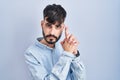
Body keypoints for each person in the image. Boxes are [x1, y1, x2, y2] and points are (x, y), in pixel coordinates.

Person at [25, 4, 85, 80]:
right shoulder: (31, 53)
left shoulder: (65, 47)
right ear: (42, 24)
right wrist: (66, 55)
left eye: (57, 26)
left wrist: (74, 54)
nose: (52, 32)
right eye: (48, 25)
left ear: (62, 28)